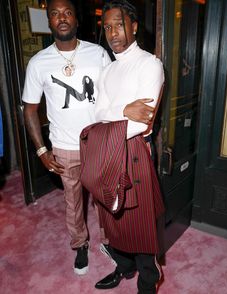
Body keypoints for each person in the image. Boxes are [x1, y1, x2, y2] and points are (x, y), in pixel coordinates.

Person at [80, 0, 165, 293]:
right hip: (108, 152)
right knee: (113, 219)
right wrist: (124, 109)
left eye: (119, 24)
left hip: (134, 154)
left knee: (139, 226)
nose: (113, 32)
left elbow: (142, 124)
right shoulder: (107, 71)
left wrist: (115, 114)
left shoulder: (150, 64)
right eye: (107, 27)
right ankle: (124, 268)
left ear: (134, 26)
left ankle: (147, 282)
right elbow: (97, 115)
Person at [22, 0, 112, 275]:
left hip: (98, 143)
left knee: (104, 200)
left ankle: (109, 241)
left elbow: (114, 92)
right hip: (63, 146)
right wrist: (41, 150)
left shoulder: (97, 54)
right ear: (49, 21)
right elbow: (30, 109)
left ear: (76, 19)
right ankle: (80, 245)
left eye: (67, 12)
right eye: (55, 14)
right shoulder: (39, 63)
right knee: (73, 203)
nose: (61, 18)